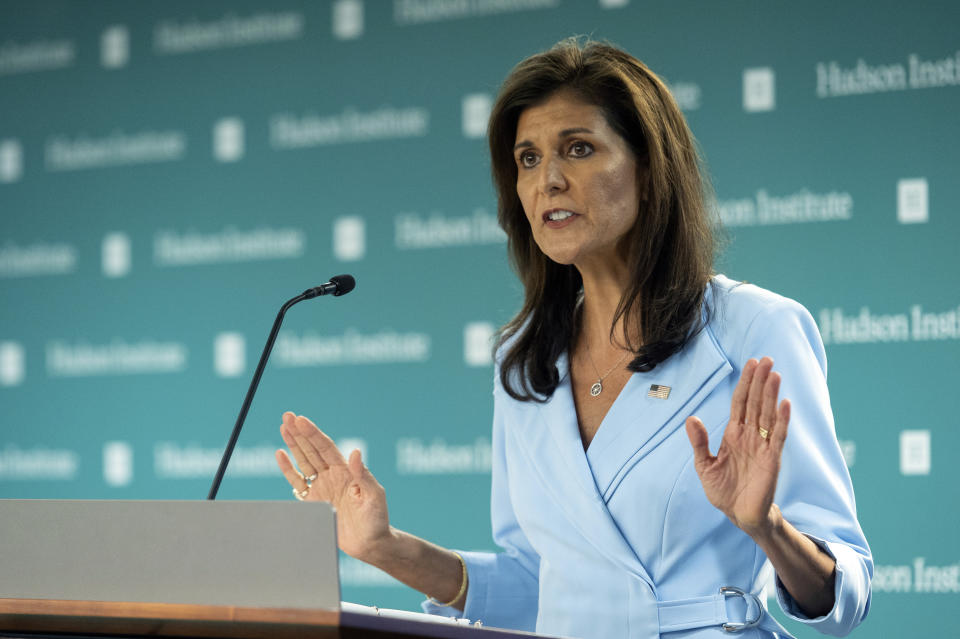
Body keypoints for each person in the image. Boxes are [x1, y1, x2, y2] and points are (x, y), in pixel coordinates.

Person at [275, 39, 872, 638]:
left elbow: (845, 594)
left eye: (578, 150)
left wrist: (766, 526)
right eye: (527, 159)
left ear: (648, 166)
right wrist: (384, 548)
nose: (548, 181)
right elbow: (539, 586)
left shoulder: (755, 329)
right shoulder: (522, 360)